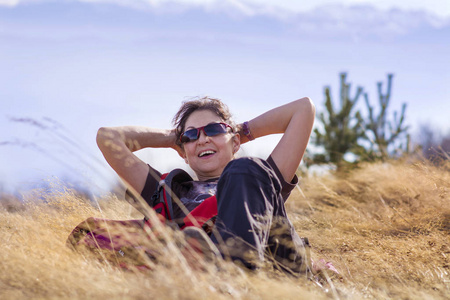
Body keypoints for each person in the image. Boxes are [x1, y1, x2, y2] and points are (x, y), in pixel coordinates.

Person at [95, 96, 316, 275]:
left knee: (244, 168)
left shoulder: (259, 179)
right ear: (183, 152)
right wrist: (173, 139)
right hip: (206, 271)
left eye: (213, 130)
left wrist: (237, 132)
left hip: (277, 266)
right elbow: (107, 138)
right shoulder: (166, 191)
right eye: (191, 135)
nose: (202, 140)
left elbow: (303, 109)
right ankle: (216, 272)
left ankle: (232, 272)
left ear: (236, 142)